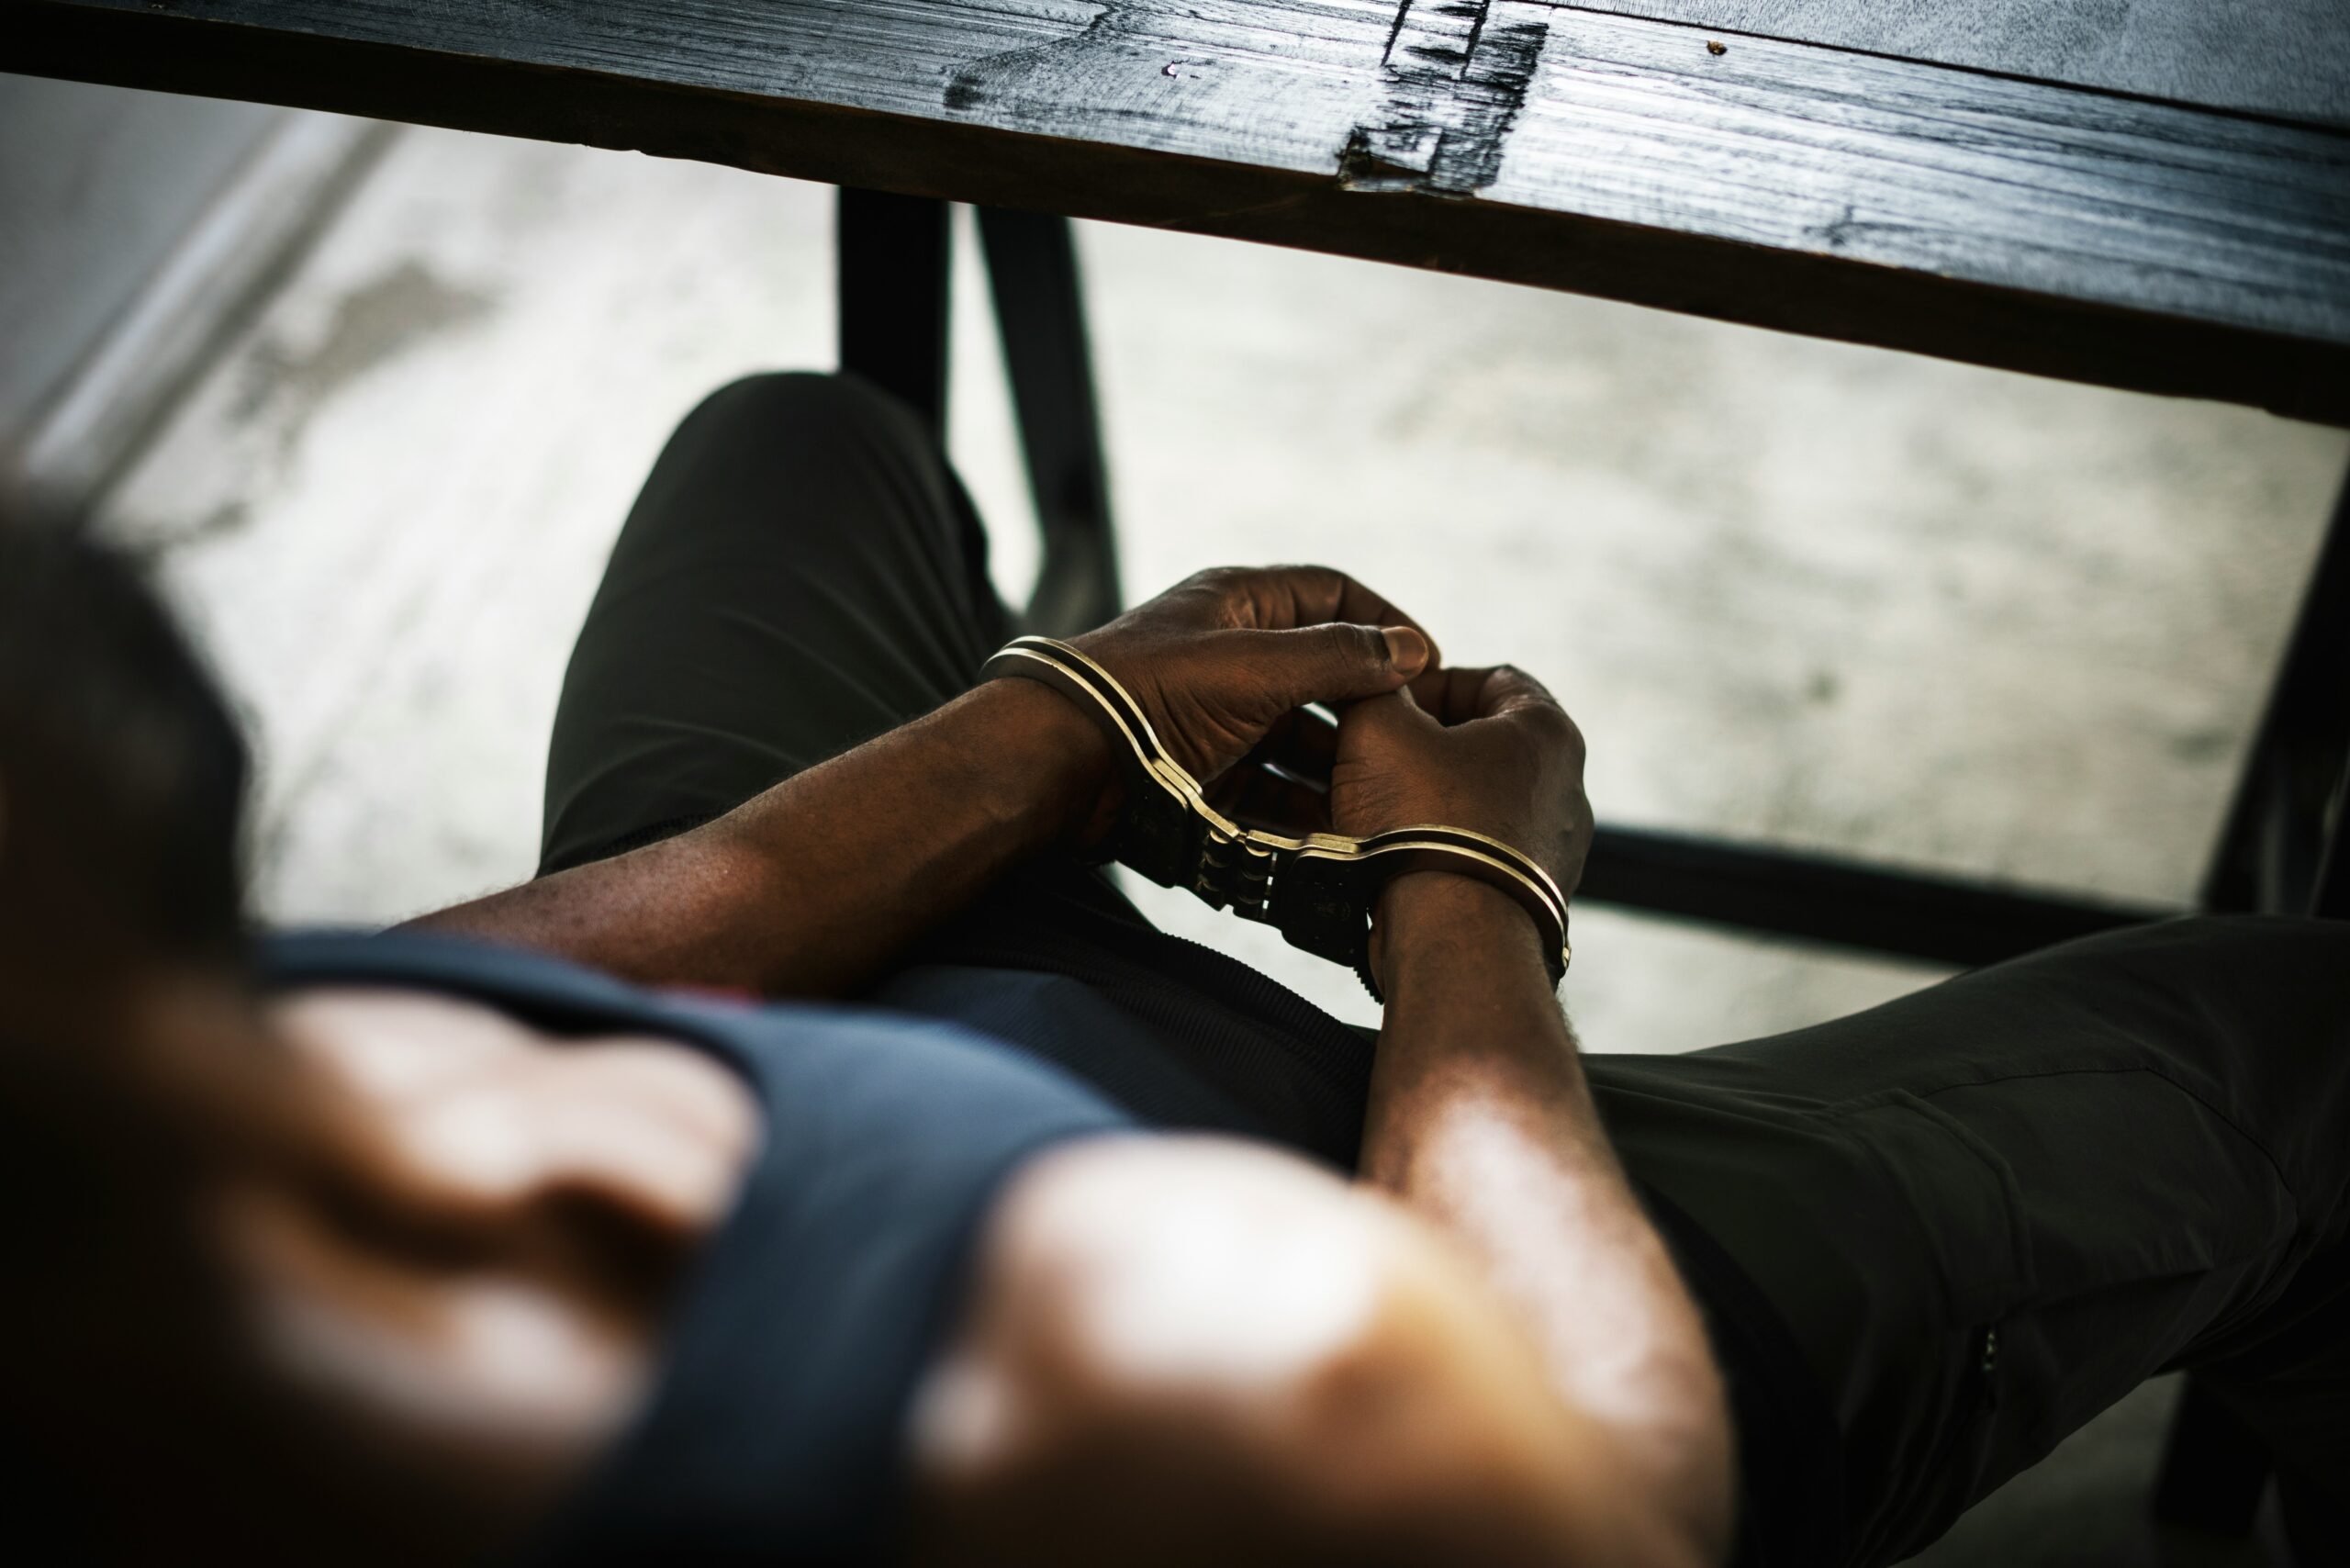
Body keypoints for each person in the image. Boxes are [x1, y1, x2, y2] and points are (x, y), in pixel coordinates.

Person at [1, 372, 2343, 1568]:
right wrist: (1465, 914)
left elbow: (438, 985)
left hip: (889, 1022)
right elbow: (1597, 1503)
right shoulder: (1172, 1360)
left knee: (799, 448)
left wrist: (1062, 720)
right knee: (2294, 1041)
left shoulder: (191, 1122)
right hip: (1499, 1260)